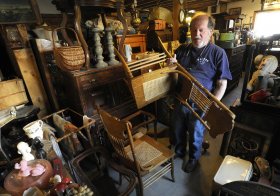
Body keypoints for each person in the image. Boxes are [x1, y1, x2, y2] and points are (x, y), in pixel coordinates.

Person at [170, 12, 232, 173]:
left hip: (201, 102)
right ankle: (179, 152)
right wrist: (171, 67)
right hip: (181, 98)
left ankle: (193, 158)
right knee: (177, 128)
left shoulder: (218, 53)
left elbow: (221, 84)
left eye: (201, 30)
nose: (196, 34)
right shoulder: (182, 49)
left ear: (210, 32)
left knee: (196, 132)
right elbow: (175, 74)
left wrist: (211, 105)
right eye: (193, 30)